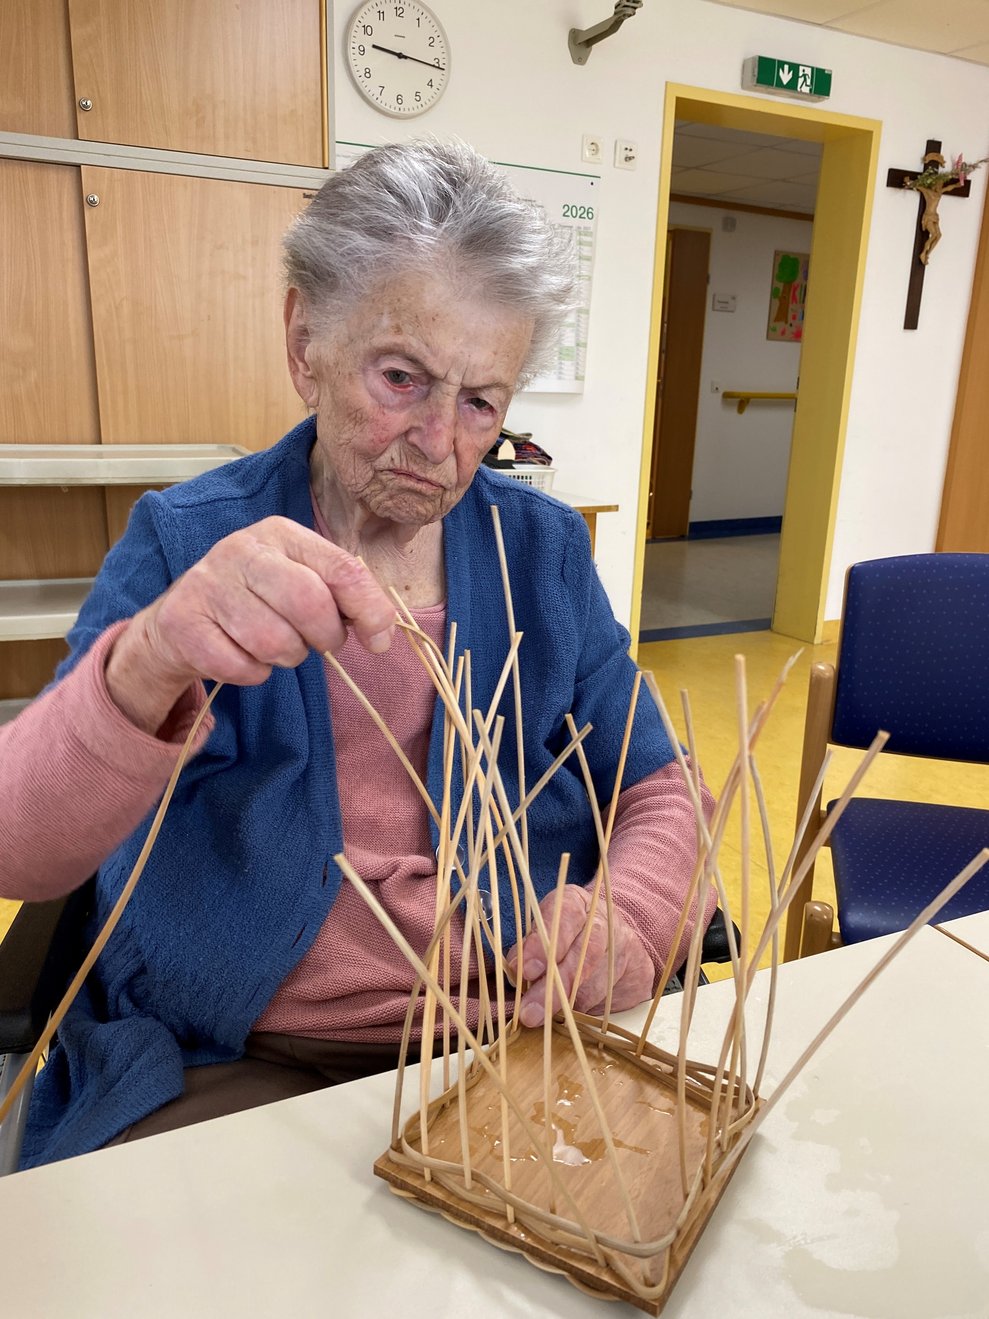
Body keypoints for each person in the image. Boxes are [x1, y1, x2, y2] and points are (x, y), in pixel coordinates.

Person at [0, 140, 714, 1169]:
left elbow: (660, 785)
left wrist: (632, 915)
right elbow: (23, 849)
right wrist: (148, 658)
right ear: (305, 344)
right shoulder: (185, 541)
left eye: (480, 401)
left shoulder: (539, 552)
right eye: (400, 377)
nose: (438, 440)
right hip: (236, 1052)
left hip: (504, 1033)